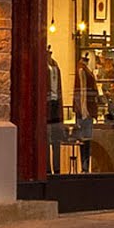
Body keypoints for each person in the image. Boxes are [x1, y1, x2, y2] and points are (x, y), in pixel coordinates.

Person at [74, 53, 99, 172]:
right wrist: (84, 111)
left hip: (86, 111)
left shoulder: (85, 69)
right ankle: (84, 167)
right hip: (85, 111)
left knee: (87, 140)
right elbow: (83, 91)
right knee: (84, 140)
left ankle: (85, 167)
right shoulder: (81, 69)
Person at [47, 46, 64, 175]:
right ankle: (47, 169)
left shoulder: (55, 64)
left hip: (55, 104)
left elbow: (59, 87)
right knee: (46, 139)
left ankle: (57, 169)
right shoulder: (42, 64)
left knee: (56, 139)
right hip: (46, 106)